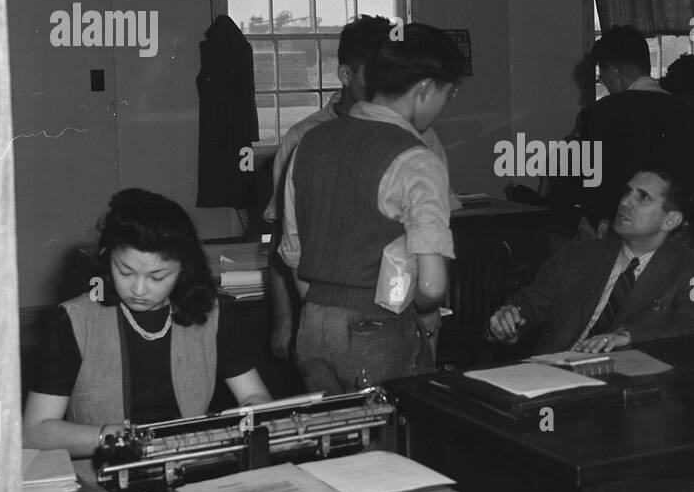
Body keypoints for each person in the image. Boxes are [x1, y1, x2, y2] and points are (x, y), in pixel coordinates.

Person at [283, 23, 464, 394]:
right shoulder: (417, 159)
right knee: (392, 445)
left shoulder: (309, 142)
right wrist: (426, 320)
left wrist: (327, 311)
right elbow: (431, 285)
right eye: (448, 94)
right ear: (425, 88)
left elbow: (292, 254)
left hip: (313, 327)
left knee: (337, 444)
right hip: (379, 330)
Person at [23, 189, 273, 456]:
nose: (139, 289)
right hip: (104, 465)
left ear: (183, 269)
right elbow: (35, 431)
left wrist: (245, 418)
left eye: (158, 276)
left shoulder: (210, 313)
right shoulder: (75, 319)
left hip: (189, 460)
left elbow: (255, 397)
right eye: (125, 271)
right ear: (107, 259)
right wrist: (120, 437)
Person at [488, 165, 694, 353]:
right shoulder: (578, 254)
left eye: (643, 197)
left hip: (630, 387)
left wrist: (628, 337)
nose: (625, 202)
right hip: (553, 375)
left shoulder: (692, 272)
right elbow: (530, 303)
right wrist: (509, 320)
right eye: (627, 192)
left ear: (670, 220)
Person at [581, 25, 694, 233]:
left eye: (603, 79)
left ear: (613, 73)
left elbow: (594, 186)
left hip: (622, 232)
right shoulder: (689, 114)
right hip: (674, 231)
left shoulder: (604, 112)